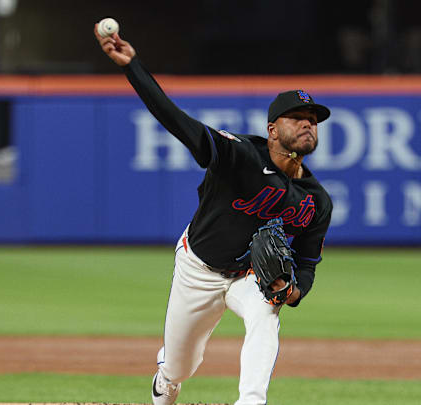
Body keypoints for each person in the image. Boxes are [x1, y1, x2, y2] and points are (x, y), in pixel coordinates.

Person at [94, 24, 333, 405]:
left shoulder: (316, 201)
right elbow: (177, 121)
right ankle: (166, 380)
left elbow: (306, 262)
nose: (308, 123)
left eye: (313, 118)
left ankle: (251, 401)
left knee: (266, 314)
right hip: (198, 268)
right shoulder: (238, 154)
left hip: (248, 277)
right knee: (180, 367)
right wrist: (133, 68)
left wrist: (292, 291)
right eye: (297, 116)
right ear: (272, 130)